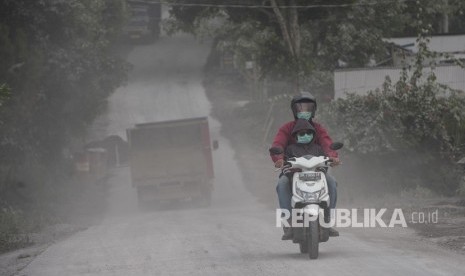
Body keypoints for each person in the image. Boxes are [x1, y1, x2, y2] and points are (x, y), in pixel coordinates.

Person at [269, 91, 340, 240]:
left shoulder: (319, 129)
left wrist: (333, 157)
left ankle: (327, 220)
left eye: (308, 107)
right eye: (300, 107)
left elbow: (328, 144)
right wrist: (279, 159)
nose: (304, 111)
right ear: (294, 110)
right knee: (281, 184)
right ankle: (288, 222)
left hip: (316, 170)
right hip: (292, 172)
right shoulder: (286, 129)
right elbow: (278, 145)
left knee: (332, 183)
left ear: (313, 110)